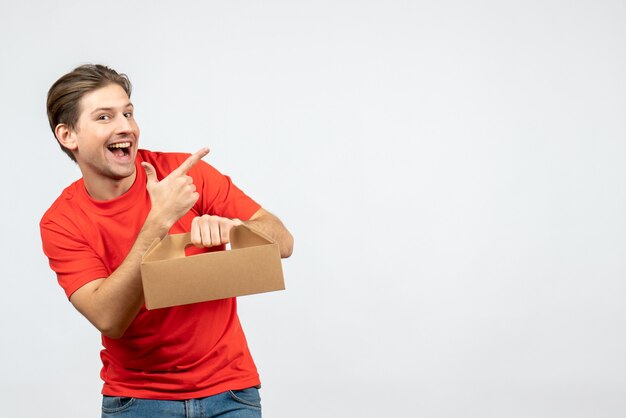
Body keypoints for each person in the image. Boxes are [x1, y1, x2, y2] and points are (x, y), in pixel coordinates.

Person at [40, 64, 293, 418]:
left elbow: (283, 242)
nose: (125, 126)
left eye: (128, 112)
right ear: (68, 136)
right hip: (137, 401)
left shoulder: (184, 176)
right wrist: (157, 223)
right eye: (104, 117)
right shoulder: (62, 221)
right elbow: (109, 317)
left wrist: (235, 229)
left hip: (230, 393)